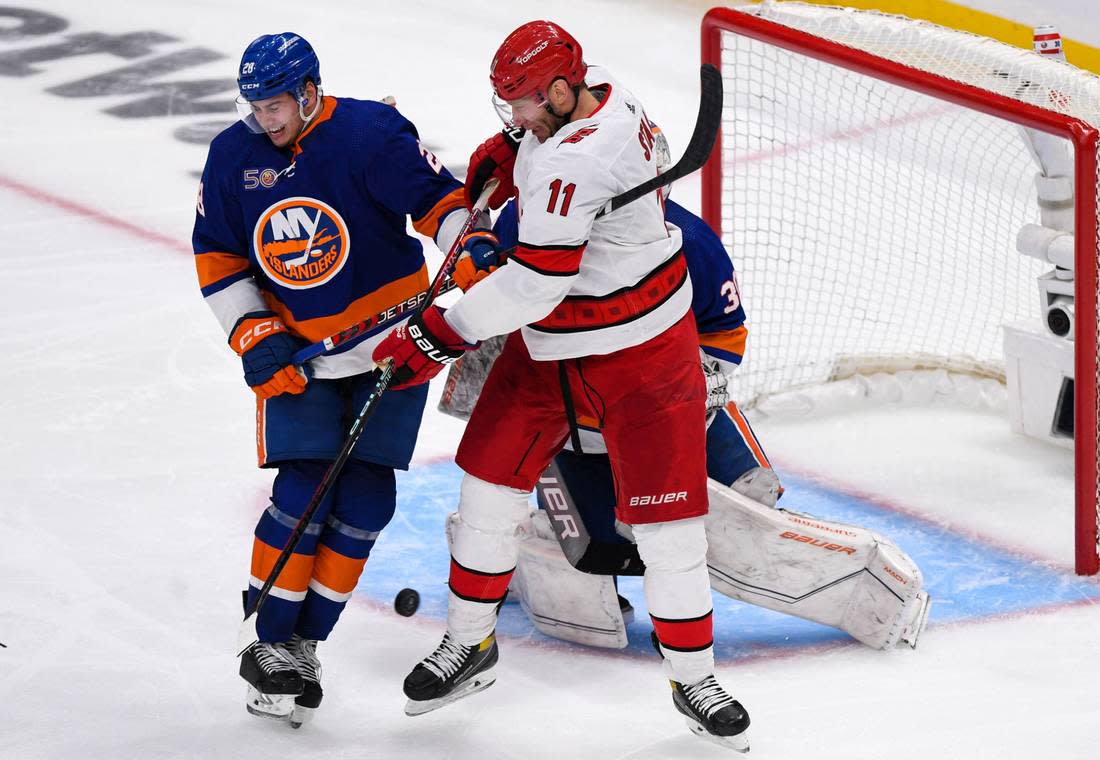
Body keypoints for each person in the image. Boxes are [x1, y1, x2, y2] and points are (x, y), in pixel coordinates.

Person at [372, 20, 751, 752]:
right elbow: (541, 162)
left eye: (520, 105)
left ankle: (694, 679)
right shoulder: (601, 92)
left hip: (643, 353)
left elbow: (536, 285)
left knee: (669, 534)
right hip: (551, 354)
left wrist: (438, 332)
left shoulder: (573, 163)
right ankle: (469, 646)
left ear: (557, 87)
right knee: (486, 493)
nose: (512, 118)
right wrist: (513, 147)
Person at [448, 126, 927, 655]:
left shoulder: (690, 243)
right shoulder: (530, 223)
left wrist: (672, 395)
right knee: (592, 550)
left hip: (663, 406)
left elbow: (725, 336)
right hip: (570, 424)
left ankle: (675, 608)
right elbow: (496, 329)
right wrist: (479, 255)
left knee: (750, 496)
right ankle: (525, 557)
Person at [191, 32, 471, 727]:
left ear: (310, 91)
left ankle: (303, 647)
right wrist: (254, 335)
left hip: (393, 350)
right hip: (300, 357)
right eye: (254, 107)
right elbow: (218, 255)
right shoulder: (234, 155)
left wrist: (471, 249)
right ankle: (271, 644)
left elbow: (441, 206)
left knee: (368, 500)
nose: (265, 120)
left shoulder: (372, 135)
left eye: (276, 105)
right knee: (304, 490)